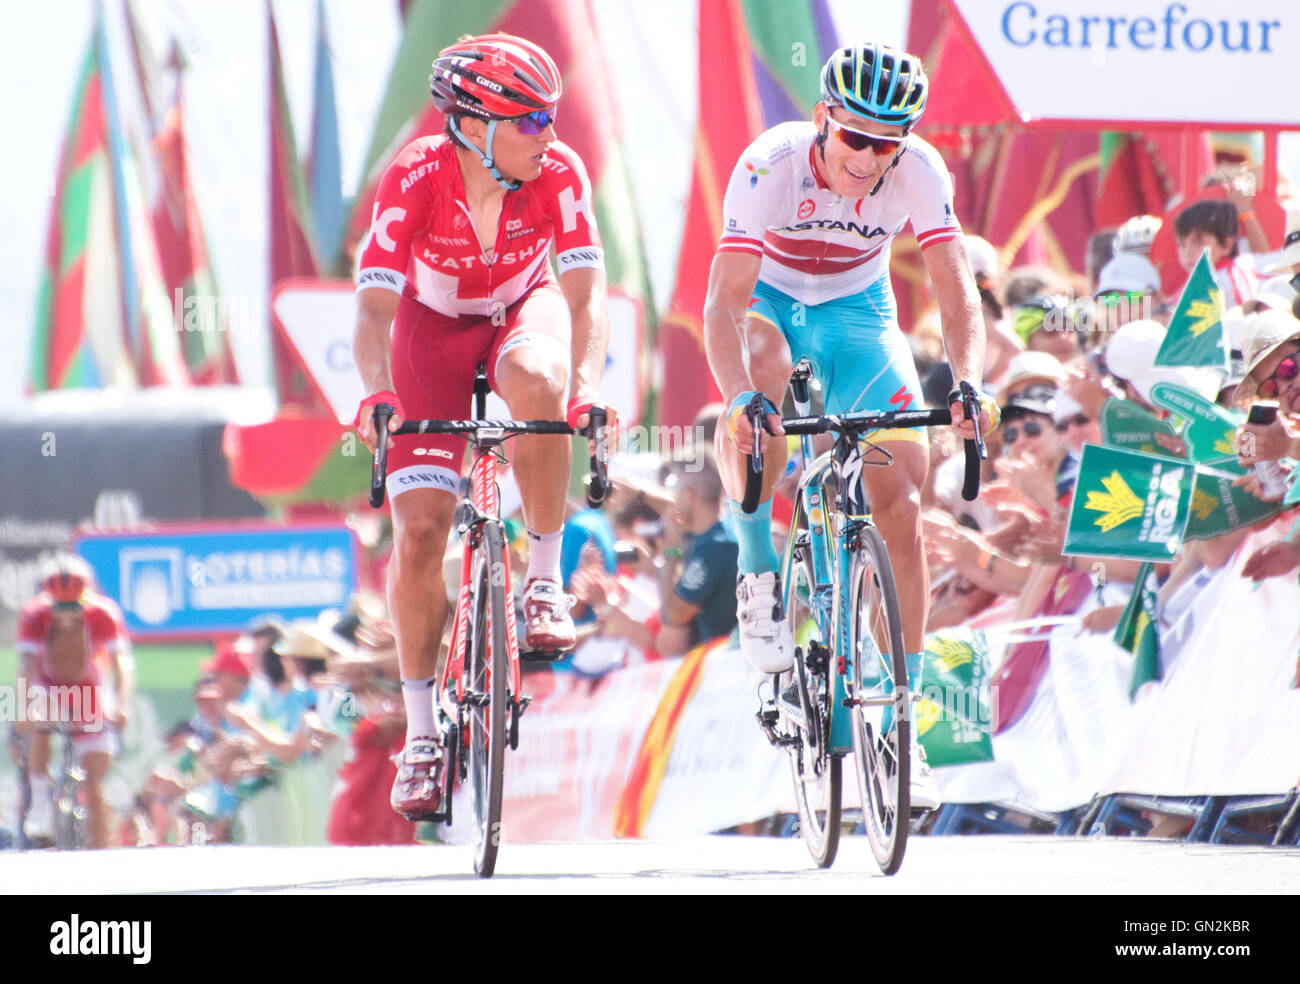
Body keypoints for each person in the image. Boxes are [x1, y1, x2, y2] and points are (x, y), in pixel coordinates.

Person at [703, 42, 989, 810]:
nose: (869, 158)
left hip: (860, 319)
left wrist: (968, 381)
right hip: (770, 308)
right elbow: (723, 302)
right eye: (856, 137)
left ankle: (902, 722)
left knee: (904, 494)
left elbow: (957, 294)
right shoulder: (771, 163)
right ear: (823, 118)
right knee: (759, 383)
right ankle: (758, 562)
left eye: (886, 144)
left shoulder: (921, 171)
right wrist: (739, 401)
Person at [351, 34, 615, 819]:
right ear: (472, 124)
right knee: (424, 532)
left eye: (553, 116)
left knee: (539, 381)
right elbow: (371, 307)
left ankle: (541, 579)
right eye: (530, 119)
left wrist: (588, 386)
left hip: (520, 313)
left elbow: (586, 294)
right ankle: (425, 733)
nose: (550, 134)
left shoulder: (560, 172)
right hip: (429, 332)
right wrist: (373, 394)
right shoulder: (415, 175)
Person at [16, 554, 134, 849]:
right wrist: (25, 708)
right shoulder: (34, 614)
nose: (66, 616)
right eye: (60, 608)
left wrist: (119, 704)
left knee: (94, 783)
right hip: (48, 684)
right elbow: (27, 668)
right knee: (40, 720)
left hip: (89, 688)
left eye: (73, 608)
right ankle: (41, 804)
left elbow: (122, 666)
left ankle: (99, 849)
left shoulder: (103, 613)